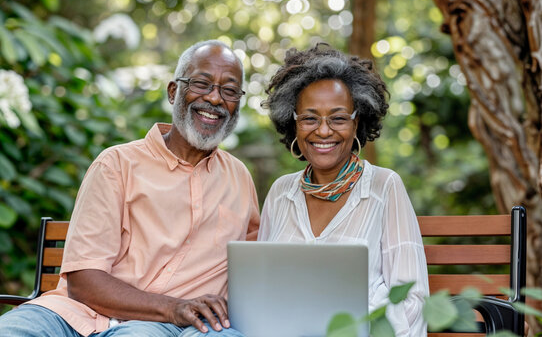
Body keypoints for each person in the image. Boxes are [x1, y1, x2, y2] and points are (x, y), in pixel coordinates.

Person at [0, 40, 260, 337]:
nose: (215, 98)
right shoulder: (116, 164)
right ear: (173, 91)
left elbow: (253, 270)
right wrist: (173, 306)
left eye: (229, 90)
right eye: (201, 83)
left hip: (171, 329)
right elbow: (83, 281)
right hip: (73, 315)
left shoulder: (238, 177)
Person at [258, 43, 429, 336]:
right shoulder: (280, 193)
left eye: (338, 118)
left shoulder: (384, 186)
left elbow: (411, 299)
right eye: (310, 118)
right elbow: (261, 290)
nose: (323, 131)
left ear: (357, 122)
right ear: (294, 123)